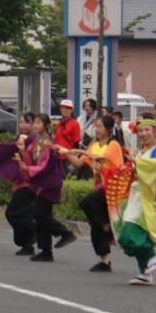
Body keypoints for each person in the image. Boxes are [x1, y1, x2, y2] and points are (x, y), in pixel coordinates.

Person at [57, 115, 127, 273]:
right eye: (96, 126)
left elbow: (102, 159)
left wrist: (80, 150)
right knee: (95, 226)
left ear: (108, 129)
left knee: (86, 203)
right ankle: (104, 261)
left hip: (112, 186)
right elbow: (79, 162)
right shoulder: (94, 144)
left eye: (100, 126)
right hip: (99, 186)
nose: (97, 129)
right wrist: (65, 152)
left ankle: (107, 225)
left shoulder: (114, 145)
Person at [117, 118, 156, 286]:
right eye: (140, 131)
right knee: (128, 235)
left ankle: (152, 256)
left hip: (146, 199)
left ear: (154, 132)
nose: (143, 134)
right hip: (136, 197)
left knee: (129, 234)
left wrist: (135, 161)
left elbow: (155, 167)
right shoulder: (140, 152)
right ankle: (145, 273)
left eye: (147, 130)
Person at [24, 114, 75, 262]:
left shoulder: (51, 143)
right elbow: (29, 158)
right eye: (34, 122)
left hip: (49, 182)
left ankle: (64, 233)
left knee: (40, 214)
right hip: (40, 182)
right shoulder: (34, 140)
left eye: (39, 122)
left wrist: (30, 171)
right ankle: (46, 250)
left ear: (46, 125)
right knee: (41, 215)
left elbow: (46, 165)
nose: (35, 125)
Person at [0, 115, 37, 254]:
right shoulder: (20, 138)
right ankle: (26, 244)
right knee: (23, 213)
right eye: (21, 122)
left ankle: (34, 232)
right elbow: (9, 149)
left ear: (34, 124)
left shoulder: (34, 140)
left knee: (12, 213)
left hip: (30, 181)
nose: (23, 125)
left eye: (27, 122)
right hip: (20, 180)